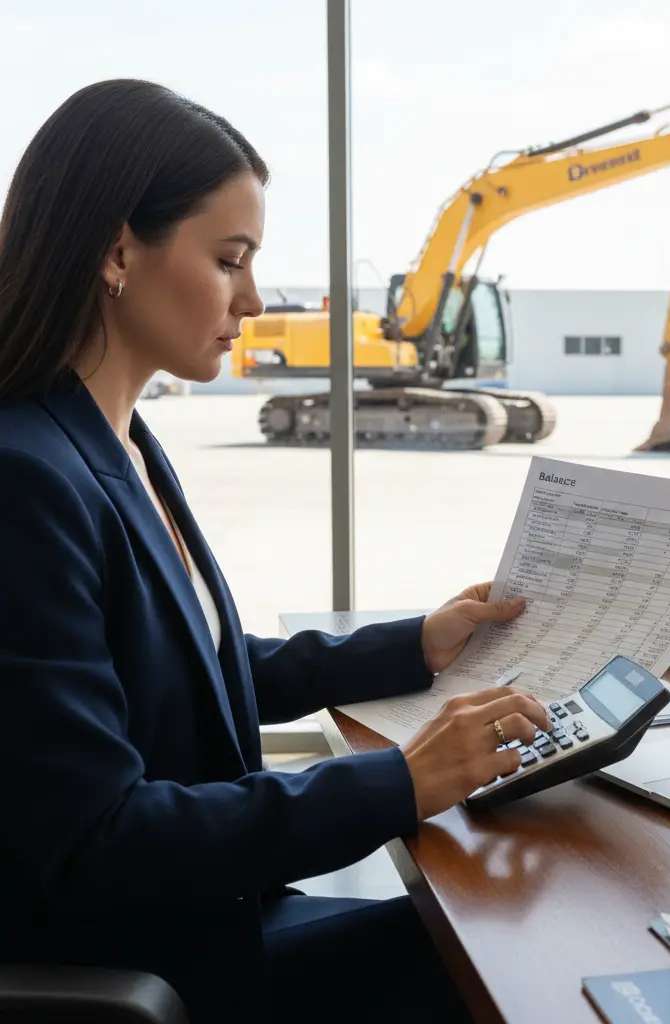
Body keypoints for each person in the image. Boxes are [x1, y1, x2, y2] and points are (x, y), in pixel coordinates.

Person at [0, 79, 551, 1023]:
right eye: (230, 260)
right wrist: (403, 780)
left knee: (502, 931)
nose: (253, 299)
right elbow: (99, 836)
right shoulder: (25, 477)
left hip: (217, 914)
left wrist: (415, 644)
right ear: (117, 251)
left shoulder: (120, 442)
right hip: (158, 965)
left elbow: (195, 670)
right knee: (512, 956)